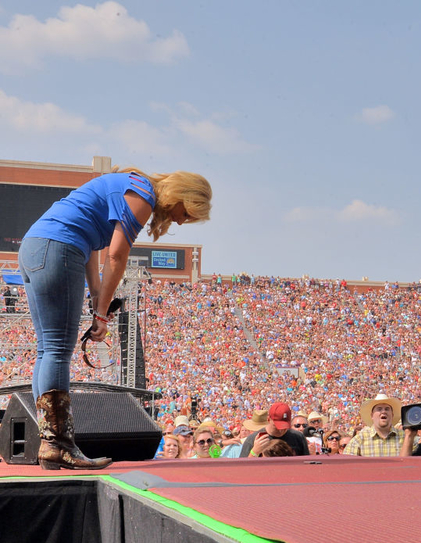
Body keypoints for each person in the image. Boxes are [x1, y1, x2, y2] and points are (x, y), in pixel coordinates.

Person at [19, 166, 211, 470]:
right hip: (59, 248)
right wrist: (101, 313)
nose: (180, 220)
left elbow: (92, 241)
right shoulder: (143, 196)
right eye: (186, 213)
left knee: (48, 349)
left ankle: (50, 443)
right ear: (180, 196)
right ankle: (58, 444)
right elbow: (116, 256)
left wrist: (97, 294)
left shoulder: (131, 184)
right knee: (57, 350)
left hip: (37, 246)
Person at [239, 402, 309, 457]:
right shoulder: (255, 439)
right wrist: (254, 452)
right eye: (277, 426)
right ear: (269, 419)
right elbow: (242, 468)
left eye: (284, 427)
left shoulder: (298, 437)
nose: (280, 430)